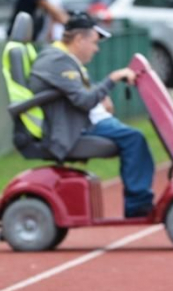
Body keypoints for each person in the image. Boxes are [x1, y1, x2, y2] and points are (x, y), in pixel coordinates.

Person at [27, 12, 155, 218]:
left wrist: (100, 95)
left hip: (88, 120)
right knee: (134, 139)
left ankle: (139, 202)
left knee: (134, 137)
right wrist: (111, 79)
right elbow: (84, 100)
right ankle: (138, 205)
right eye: (94, 43)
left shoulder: (65, 59)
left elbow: (77, 92)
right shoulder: (56, 61)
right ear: (79, 39)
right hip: (78, 127)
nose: (96, 50)